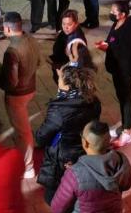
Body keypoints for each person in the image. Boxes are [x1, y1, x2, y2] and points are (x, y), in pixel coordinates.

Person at [50, 120, 131, 213]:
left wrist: (70, 175)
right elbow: (126, 185)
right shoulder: (121, 161)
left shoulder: (74, 174)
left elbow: (57, 208)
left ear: (86, 143)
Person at [35, 66, 103, 203]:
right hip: (84, 151)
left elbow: (42, 137)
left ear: (67, 86)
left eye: (60, 79)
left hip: (62, 156)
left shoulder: (59, 109)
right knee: (79, 186)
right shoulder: (93, 101)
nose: (58, 82)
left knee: (56, 196)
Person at [0, 12, 41, 178]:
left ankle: (28, 167)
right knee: (21, 129)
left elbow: (11, 81)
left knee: (23, 131)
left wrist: (0, 77)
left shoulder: (12, 51)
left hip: (17, 95)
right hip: (31, 87)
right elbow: (39, 62)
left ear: (8, 28)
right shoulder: (30, 39)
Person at [99, 0, 131, 146]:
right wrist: (105, 44)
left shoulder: (129, 28)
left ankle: (127, 132)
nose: (111, 13)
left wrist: (109, 48)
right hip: (116, 68)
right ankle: (124, 126)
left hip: (125, 70)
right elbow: (111, 40)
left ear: (122, 15)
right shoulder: (116, 24)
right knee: (121, 98)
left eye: (114, 12)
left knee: (125, 99)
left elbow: (126, 51)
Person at [51, 10, 87, 82]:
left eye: (69, 24)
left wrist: (62, 73)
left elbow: (77, 66)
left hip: (68, 79)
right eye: (63, 24)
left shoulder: (76, 43)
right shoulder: (68, 32)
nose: (66, 27)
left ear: (76, 24)